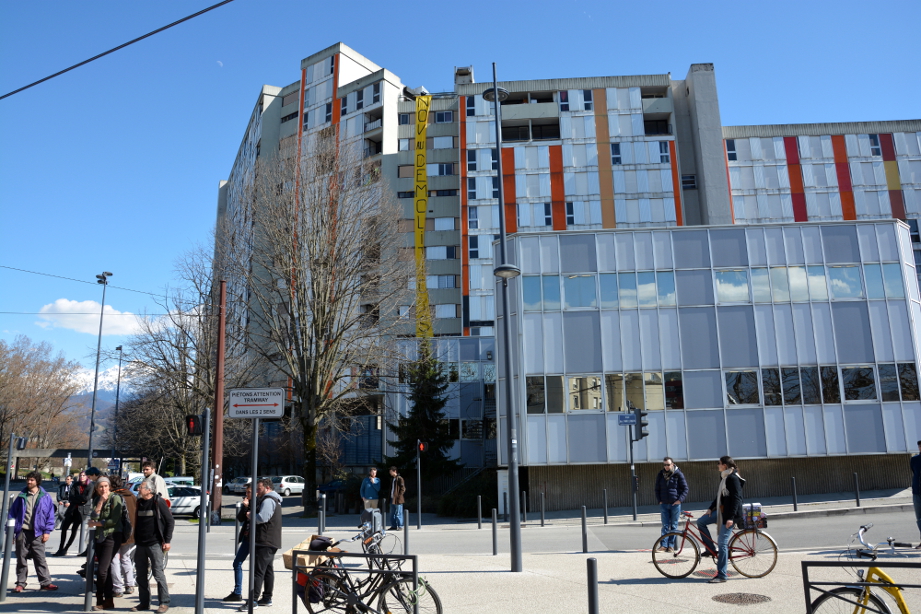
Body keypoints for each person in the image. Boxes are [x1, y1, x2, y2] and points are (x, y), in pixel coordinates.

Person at [696, 456, 745, 584]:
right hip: (722, 511)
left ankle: (722, 575)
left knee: (722, 543)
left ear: (724, 465)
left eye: (719, 463)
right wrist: (710, 508)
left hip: (730, 515)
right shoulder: (724, 477)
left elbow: (736, 499)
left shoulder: (733, 478)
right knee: (701, 522)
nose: (717, 465)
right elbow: (720, 497)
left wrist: (731, 518)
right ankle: (710, 549)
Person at [8, 471, 58, 593]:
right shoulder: (22, 496)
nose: (29, 482)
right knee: (21, 558)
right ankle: (20, 583)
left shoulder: (45, 497)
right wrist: (11, 532)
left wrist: (47, 531)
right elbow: (12, 513)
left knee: (40, 558)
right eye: (28, 479)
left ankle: (45, 583)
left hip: (38, 533)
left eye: (31, 480)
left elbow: (50, 516)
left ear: (37, 481)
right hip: (22, 531)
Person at [239, 478, 282, 611]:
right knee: (267, 570)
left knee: (257, 572)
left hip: (264, 540)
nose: (257, 491)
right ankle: (267, 598)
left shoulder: (268, 500)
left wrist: (251, 515)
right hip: (270, 540)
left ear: (267, 488)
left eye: (259, 489)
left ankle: (253, 601)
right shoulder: (274, 499)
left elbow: (263, 517)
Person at [133, 481, 173, 613]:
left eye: (141, 487)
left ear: (149, 490)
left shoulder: (158, 502)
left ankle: (164, 602)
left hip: (155, 544)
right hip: (140, 544)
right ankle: (144, 603)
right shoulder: (139, 502)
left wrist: (167, 541)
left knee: (158, 574)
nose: (138, 489)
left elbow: (170, 521)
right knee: (140, 575)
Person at [88, 476, 124, 609]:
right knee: (106, 569)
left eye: (106, 486)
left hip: (112, 536)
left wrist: (97, 523)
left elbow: (114, 520)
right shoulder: (97, 499)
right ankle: (107, 601)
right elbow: (93, 516)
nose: (103, 489)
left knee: (102, 571)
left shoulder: (115, 498)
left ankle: (100, 596)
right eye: (101, 487)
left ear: (109, 487)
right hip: (99, 536)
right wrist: (100, 502)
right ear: (97, 489)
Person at [110, 475, 138, 597]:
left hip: (117, 532)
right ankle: (129, 584)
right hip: (130, 532)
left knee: (114, 559)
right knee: (126, 558)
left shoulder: (114, 497)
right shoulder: (131, 496)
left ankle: (117, 588)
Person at [223, 484, 252, 602]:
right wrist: (245, 507)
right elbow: (240, 518)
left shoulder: (259, 503)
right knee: (237, 563)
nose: (246, 494)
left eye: (249, 492)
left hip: (255, 539)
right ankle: (237, 592)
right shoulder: (248, 504)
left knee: (259, 568)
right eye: (246, 492)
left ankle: (261, 596)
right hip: (246, 538)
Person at [53, 470, 92, 556]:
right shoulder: (75, 485)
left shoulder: (90, 485)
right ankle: (60, 548)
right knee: (64, 528)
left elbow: (87, 498)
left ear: (87, 477)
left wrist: (78, 499)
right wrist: (80, 500)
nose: (82, 477)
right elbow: (71, 497)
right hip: (72, 509)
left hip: (81, 511)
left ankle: (66, 548)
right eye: (80, 475)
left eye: (83, 475)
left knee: (74, 530)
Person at [654, 457, 689, 553]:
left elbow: (685, 489)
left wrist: (680, 500)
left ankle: (671, 546)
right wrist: (659, 500)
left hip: (675, 504)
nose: (666, 466)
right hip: (664, 504)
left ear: (672, 464)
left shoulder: (678, 474)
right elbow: (657, 489)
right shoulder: (661, 474)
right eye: (665, 465)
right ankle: (663, 546)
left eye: (668, 465)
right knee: (665, 526)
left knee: (674, 526)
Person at [387, 467, 405, 532]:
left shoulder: (399, 478)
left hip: (398, 499)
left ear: (394, 471)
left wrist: (399, 496)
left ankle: (400, 526)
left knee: (399, 513)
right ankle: (394, 525)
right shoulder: (393, 479)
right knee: (392, 513)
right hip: (392, 498)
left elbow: (403, 488)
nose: (390, 473)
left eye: (391, 471)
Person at [911, 439, 921, 548]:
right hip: (917, 492)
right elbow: (914, 472)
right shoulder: (914, 459)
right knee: (919, 519)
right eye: (919, 446)